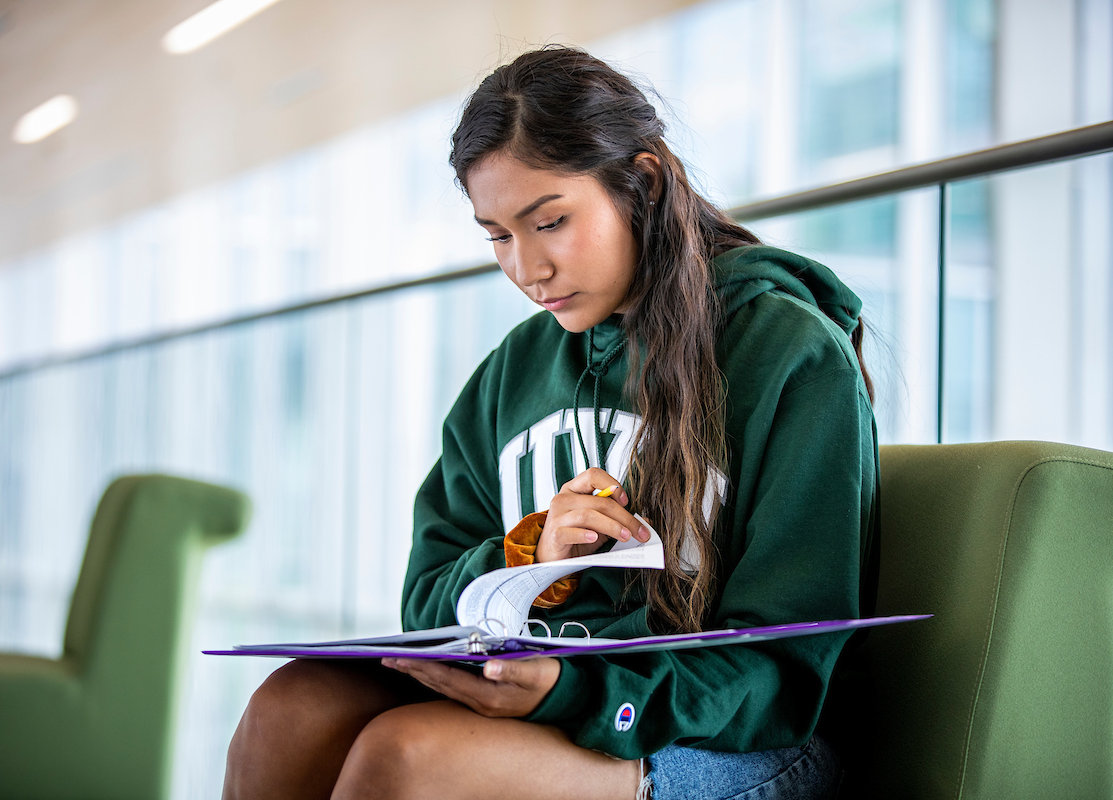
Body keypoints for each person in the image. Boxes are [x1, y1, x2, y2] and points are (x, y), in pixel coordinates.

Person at [222, 45, 879, 800]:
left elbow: (784, 675)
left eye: (550, 222)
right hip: (559, 691)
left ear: (644, 181)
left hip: (734, 739)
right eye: (499, 235)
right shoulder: (514, 369)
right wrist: (527, 560)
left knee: (409, 755)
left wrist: (573, 692)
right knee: (289, 707)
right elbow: (426, 601)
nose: (527, 269)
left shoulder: (789, 353)